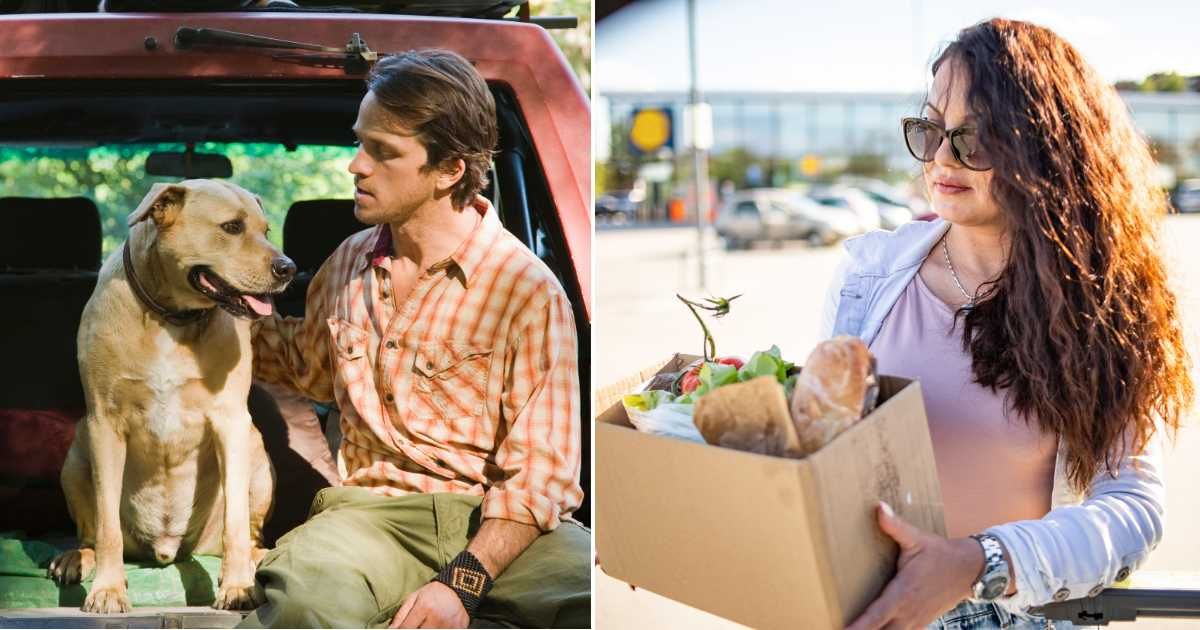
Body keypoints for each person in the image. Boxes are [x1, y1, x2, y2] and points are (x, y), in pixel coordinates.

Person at [823, 19, 1194, 630]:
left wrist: (979, 562)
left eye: (976, 139)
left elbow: (1133, 508)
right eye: (931, 130)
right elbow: (817, 454)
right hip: (871, 607)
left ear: (1047, 149)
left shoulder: (1104, 305)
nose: (942, 158)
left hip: (1021, 614)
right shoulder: (866, 275)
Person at [238, 49, 589, 629]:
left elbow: (541, 477)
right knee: (303, 599)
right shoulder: (346, 266)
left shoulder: (526, 290)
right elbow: (303, 364)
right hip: (369, 518)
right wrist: (197, 315)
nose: (356, 164)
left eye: (383, 151)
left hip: (499, 522)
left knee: (591, 598)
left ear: (450, 169)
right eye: (360, 142)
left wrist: (462, 584)